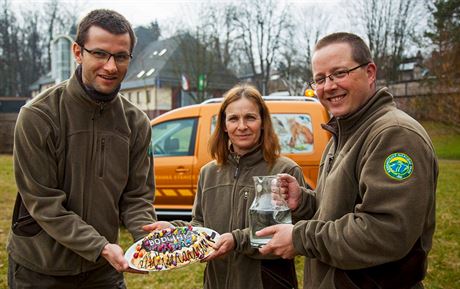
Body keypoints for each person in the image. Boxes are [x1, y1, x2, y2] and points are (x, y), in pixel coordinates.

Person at [257, 32, 438, 289]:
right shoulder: (343, 132)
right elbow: (340, 210)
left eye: (339, 73)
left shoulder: (394, 134)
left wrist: (300, 238)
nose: (328, 86)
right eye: (320, 78)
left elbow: (384, 232)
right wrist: (304, 202)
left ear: (370, 73)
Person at [7, 9, 156, 289]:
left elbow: (137, 197)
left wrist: (147, 233)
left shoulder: (137, 123)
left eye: (121, 57)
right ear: (78, 52)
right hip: (40, 269)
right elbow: (43, 202)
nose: (111, 67)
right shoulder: (38, 115)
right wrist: (99, 245)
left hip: (103, 271)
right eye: (100, 54)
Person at [146, 84, 306, 289]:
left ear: (263, 122)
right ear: (223, 125)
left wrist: (236, 240)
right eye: (233, 119)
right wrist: (175, 231)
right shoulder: (209, 173)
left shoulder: (286, 171)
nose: (242, 126)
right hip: (217, 281)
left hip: (266, 282)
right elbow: (200, 225)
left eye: (250, 117)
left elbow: (292, 234)